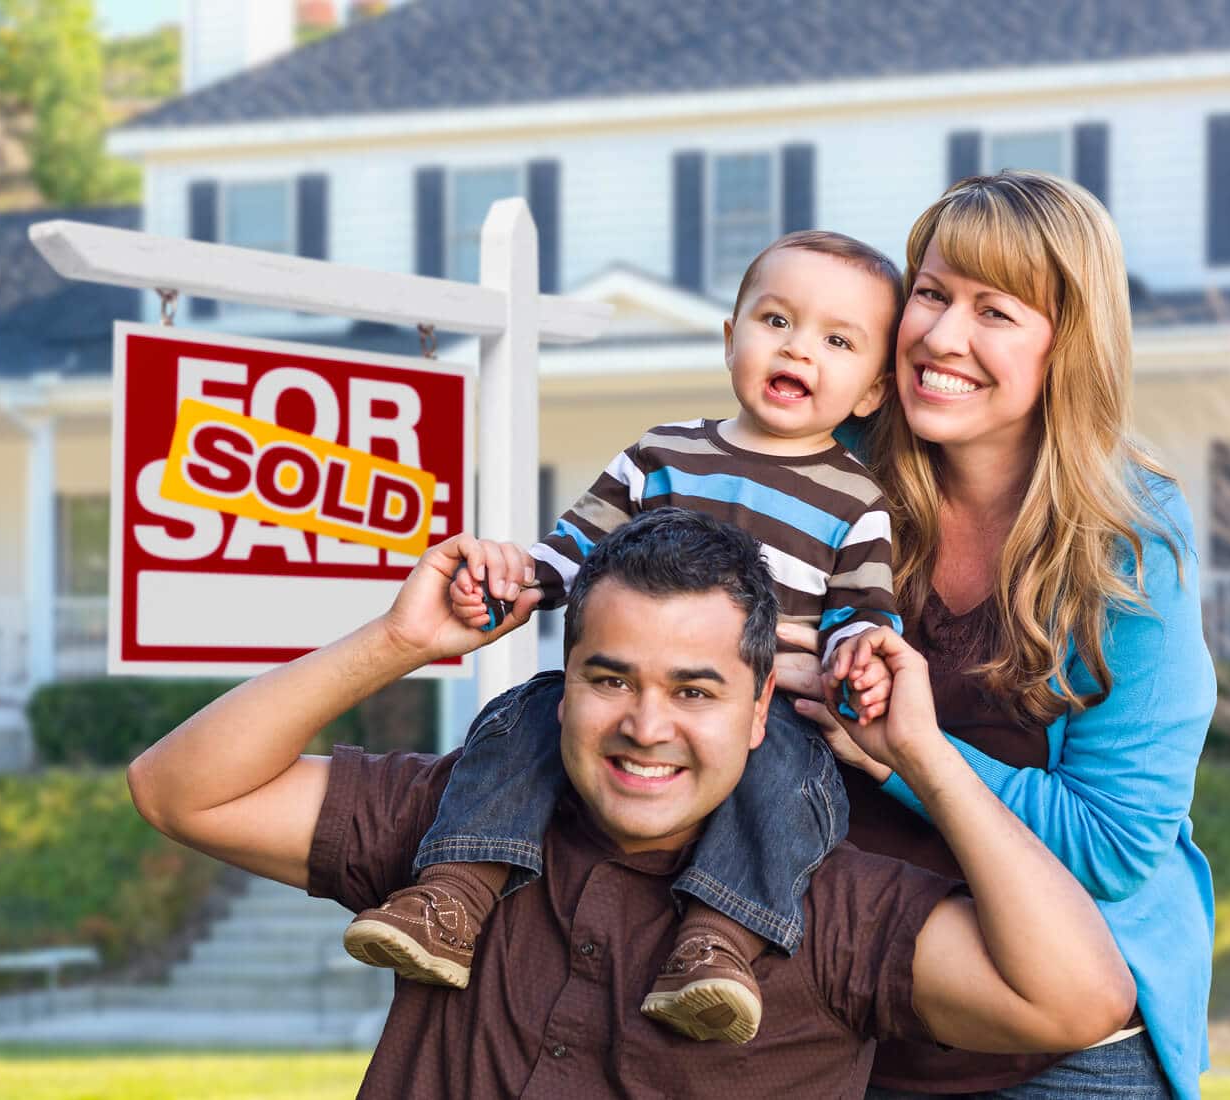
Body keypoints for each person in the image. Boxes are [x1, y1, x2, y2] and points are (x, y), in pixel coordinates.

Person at [125, 509, 1137, 1098]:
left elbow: (1078, 997)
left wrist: (918, 751)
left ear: (756, 713)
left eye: (694, 690)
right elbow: (176, 788)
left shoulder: (824, 907)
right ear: (559, 686)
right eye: (609, 679)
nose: (645, 724)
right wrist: (397, 643)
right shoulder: (458, 832)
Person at [344, 229, 906, 1044]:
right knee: (523, 718)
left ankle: (719, 946)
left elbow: (865, 612)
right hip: (627, 685)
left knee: (790, 781)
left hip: (765, 703)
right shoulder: (662, 454)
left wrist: (860, 657)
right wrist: (512, 582)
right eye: (775, 320)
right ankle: (453, 894)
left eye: (836, 340)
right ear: (731, 338)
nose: (798, 349)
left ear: (870, 392)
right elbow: (576, 552)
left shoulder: (856, 500)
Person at [787, 171, 1214, 1099]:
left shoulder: (1130, 544)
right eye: (933, 294)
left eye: (996, 312)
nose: (943, 337)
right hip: (836, 1018)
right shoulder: (825, 480)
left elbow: (1111, 845)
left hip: (1064, 1048)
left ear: (1068, 347)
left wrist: (902, 754)